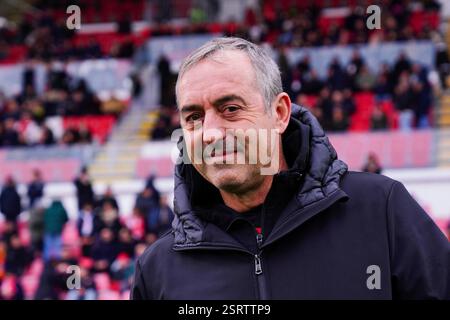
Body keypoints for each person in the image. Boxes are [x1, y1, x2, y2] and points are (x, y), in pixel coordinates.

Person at [131, 37, 450, 300]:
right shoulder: (158, 270)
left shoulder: (381, 210)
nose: (210, 132)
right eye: (193, 118)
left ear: (280, 113)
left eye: (230, 109)